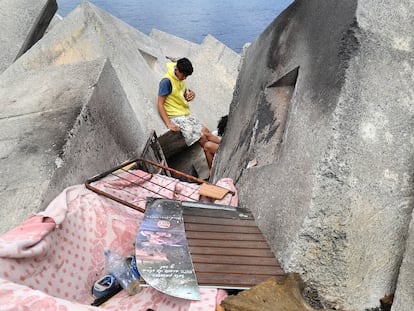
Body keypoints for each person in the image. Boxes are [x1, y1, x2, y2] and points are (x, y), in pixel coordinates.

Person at [157, 58, 220, 171]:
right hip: (176, 116)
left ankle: (224, 148)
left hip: (184, 113)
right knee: (202, 139)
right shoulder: (166, 81)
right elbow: (160, 104)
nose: (185, 78)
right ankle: (214, 168)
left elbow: (183, 94)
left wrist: (191, 95)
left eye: (187, 76)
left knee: (206, 131)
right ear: (177, 70)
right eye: (184, 75)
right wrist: (169, 124)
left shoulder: (181, 77)